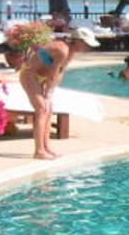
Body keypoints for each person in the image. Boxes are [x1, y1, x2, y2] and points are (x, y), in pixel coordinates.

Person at [19, 26, 99, 160]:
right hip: (30, 74)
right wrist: (48, 92)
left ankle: (46, 147)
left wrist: (50, 91)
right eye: (86, 44)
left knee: (49, 109)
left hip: (42, 77)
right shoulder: (62, 50)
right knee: (41, 108)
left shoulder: (70, 52)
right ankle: (39, 151)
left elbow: (60, 72)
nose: (88, 48)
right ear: (78, 41)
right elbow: (53, 73)